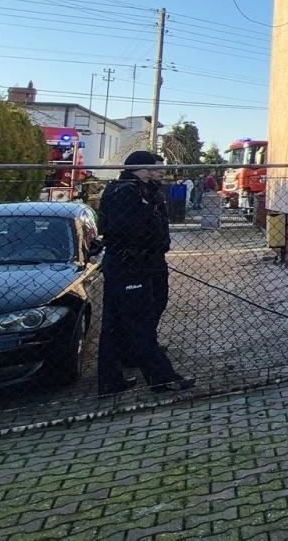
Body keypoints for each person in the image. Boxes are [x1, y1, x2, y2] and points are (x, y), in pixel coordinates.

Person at [96, 150, 192, 396]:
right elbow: (126, 229)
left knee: (120, 324)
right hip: (129, 265)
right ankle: (162, 377)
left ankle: (111, 381)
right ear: (142, 168)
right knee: (140, 323)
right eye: (157, 168)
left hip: (144, 263)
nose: (162, 172)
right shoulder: (124, 192)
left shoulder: (146, 191)